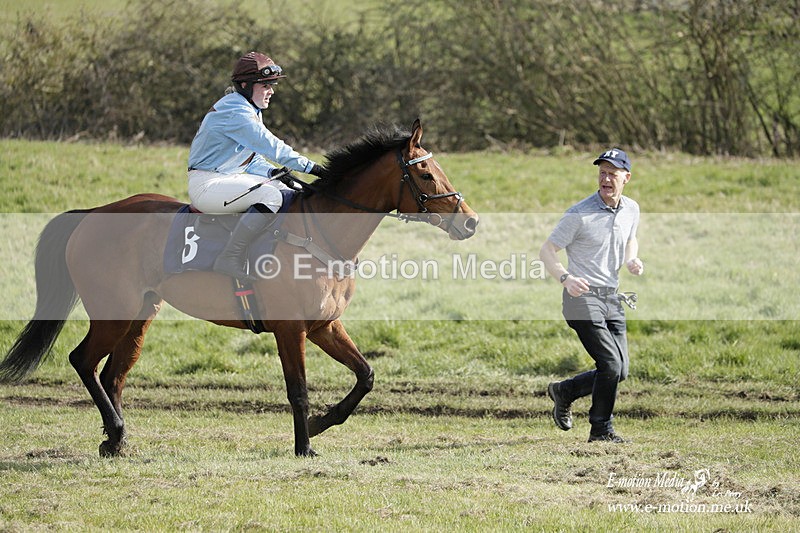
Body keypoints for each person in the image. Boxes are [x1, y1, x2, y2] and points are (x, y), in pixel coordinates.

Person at [187, 51, 325, 280]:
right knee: (271, 196)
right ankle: (229, 257)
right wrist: (315, 169)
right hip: (206, 185)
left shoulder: (247, 107)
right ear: (245, 85)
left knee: (293, 192)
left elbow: (251, 159)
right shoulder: (236, 111)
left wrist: (273, 172)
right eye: (266, 85)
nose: (271, 91)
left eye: (272, 85)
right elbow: (274, 148)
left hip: (226, 178)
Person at [539, 148, 644, 443]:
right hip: (581, 298)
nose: (606, 178)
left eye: (612, 173)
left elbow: (631, 237)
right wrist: (565, 278)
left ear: (626, 178)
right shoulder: (579, 214)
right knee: (609, 365)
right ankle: (601, 430)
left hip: (612, 297)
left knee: (620, 370)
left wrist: (631, 259)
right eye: (602, 172)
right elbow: (546, 251)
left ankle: (565, 391)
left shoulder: (631, 209)